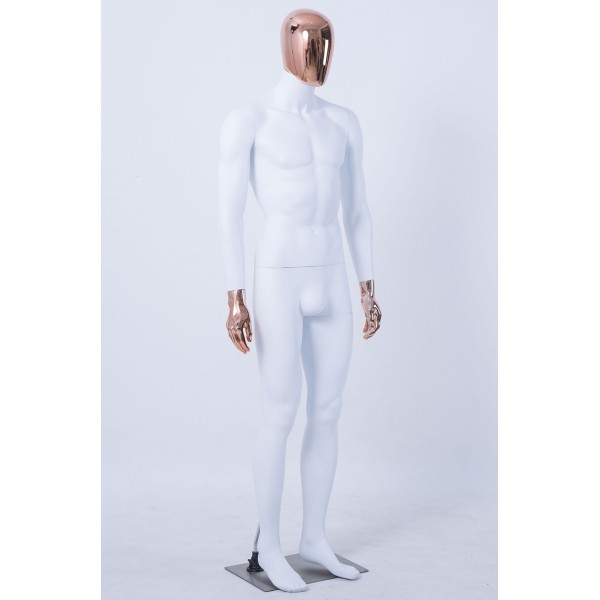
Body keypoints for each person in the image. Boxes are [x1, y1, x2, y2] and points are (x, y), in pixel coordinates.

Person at [218, 9, 382, 592]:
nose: (320, 54)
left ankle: (314, 536)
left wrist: (368, 286)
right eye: (312, 42)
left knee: (328, 411)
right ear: (289, 44)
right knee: (280, 412)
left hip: (330, 275)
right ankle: (269, 544)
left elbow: (356, 209)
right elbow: (229, 213)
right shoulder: (250, 119)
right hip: (279, 277)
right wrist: (235, 296)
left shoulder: (343, 122)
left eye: (327, 42)